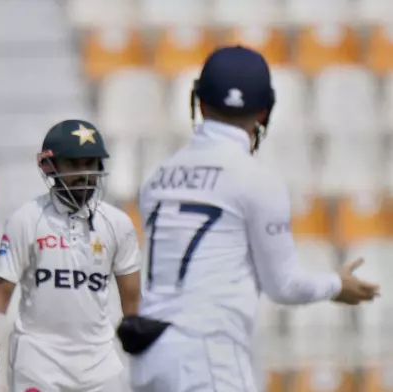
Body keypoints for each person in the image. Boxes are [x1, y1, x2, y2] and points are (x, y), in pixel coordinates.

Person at [120, 46, 380, 392]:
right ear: (263, 111)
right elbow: (283, 285)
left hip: (149, 355)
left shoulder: (158, 178)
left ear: (198, 102)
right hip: (208, 353)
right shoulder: (256, 179)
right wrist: (336, 284)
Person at [0, 119, 141, 392]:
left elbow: (132, 300)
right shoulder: (27, 220)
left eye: (91, 163)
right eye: (74, 164)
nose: (84, 174)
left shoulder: (117, 224)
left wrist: (140, 356)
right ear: (49, 166)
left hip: (100, 365)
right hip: (38, 362)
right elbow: (1, 294)